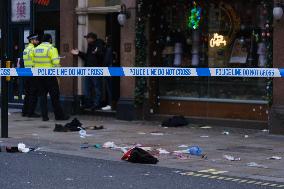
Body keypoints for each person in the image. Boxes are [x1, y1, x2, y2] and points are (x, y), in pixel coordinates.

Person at [33, 34, 69, 121]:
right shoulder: (51, 48)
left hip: (39, 75)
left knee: (42, 96)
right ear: (50, 40)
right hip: (49, 75)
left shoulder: (36, 49)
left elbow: (34, 62)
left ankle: (44, 117)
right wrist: (59, 74)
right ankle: (59, 116)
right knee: (54, 96)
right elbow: (56, 62)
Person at [71, 32, 104, 110]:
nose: (86, 39)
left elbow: (99, 56)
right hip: (88, 69)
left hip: (96, 69)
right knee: (87, 87)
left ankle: (97, 103)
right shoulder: (90, 46)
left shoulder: (98, 45)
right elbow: (87, 57)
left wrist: (96, 53)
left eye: (87, 38)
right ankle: (88, 103)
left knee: (96, 87)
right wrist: (78, 53)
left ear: (92, 38)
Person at [22, 33, 40, 118]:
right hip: (33, 73)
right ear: (32, 41)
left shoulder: (25, 49)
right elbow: (37, 61)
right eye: (36, 40)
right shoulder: (33, 50)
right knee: (33, 94)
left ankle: (24, 111)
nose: (37, 41)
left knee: (27, 93)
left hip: (26, 73)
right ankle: (31, 112)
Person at [101, 36, 115, 111]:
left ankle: (110, 104)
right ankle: (111, 104)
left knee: (109, 88)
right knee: (110, 88)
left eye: (106, 40)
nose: (105, 41)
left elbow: (106, 60)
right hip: (111, 70)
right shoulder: (110, 49)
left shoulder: (109, 49)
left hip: (108, 70)